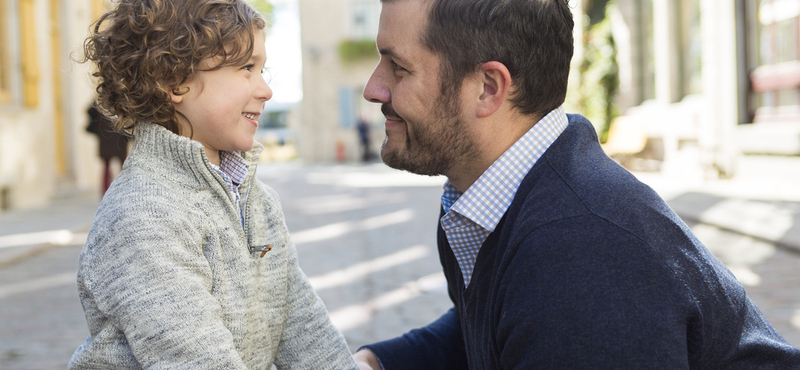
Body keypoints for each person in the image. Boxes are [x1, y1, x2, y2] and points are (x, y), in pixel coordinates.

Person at [353, 0, 800, 369]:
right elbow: (497, 322)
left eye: (398, 67)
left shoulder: (580, 252)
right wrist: (379, 362)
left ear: (488, 87)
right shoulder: (482, 202)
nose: (374, 88)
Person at [69, 1, 359, 369]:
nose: (266, 90)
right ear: (174, 81)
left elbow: (305, 330)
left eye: (262, 69)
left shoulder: (259, 202)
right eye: (246, 68)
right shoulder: (143, 215)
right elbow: (198, 359)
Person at [85, 102, 129, 196]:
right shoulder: (122, 102)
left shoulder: (101, 103)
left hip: (107, 139)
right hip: (118, 139)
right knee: (120, 166)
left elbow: (90, 110)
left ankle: (106, 192)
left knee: (108, 167)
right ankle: (122, 191)